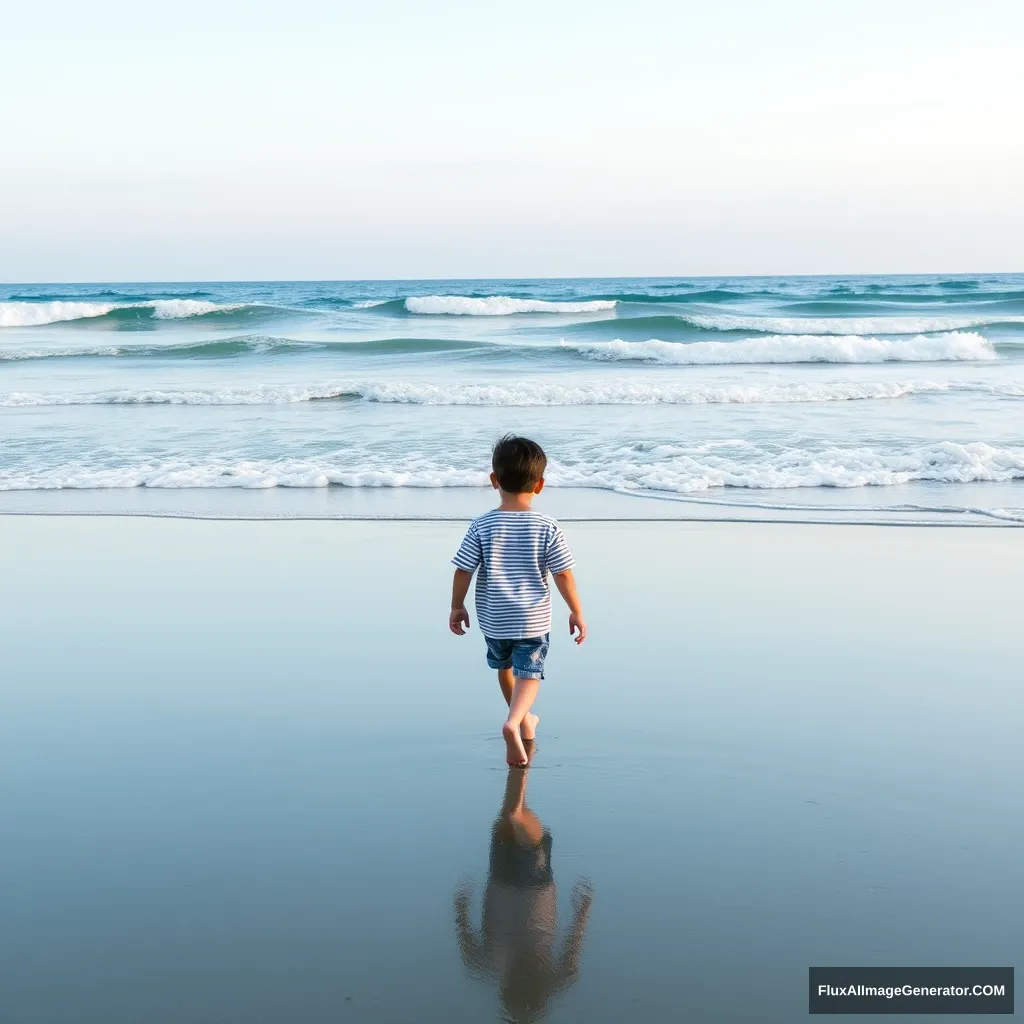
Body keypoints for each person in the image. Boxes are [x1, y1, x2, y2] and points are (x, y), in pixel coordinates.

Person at [449, 435, 587, 768]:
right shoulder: (546, 526)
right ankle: (514, 722)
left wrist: (457, 605)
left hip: (494, 619)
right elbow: (563, 574)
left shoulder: (482, 524)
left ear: (493, 480)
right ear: (539, 485)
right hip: (533, 619)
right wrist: (576, 611)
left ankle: (524, 721)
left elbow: (464, 569)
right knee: (530, 673)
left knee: (505, 667)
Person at [454, 764, 594, 1023]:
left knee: (516, 814)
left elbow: (572, 960)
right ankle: (524, 738)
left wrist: (583, 909)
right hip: (501, 876)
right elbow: (466, 940)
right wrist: (460, 906)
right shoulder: (487, 966)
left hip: (536, 885)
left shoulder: (553, 977)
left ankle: (521, 753)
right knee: (509, 814)